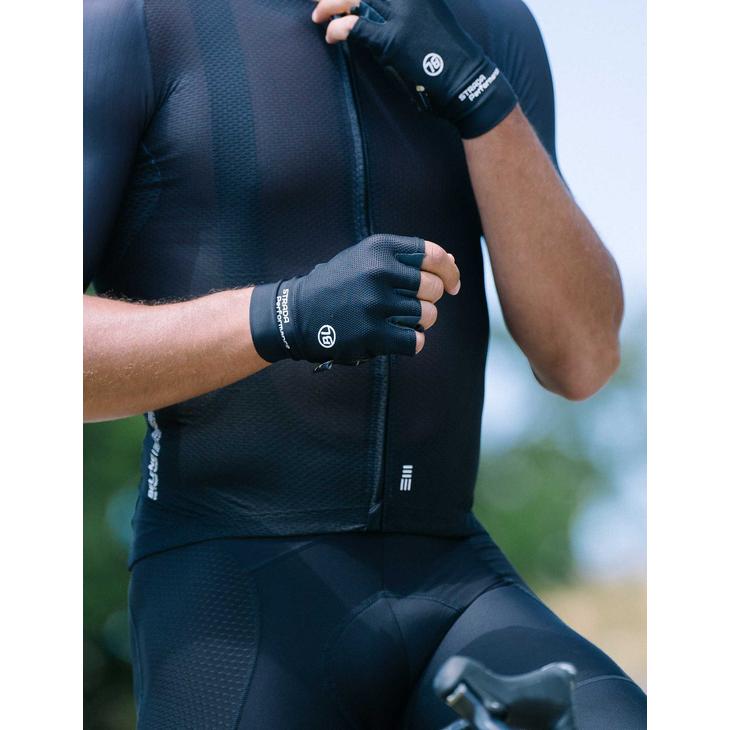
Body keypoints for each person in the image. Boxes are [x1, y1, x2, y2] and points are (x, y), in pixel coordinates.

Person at [83, 0, 646, 726]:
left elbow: (583, 358)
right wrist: (289, 315)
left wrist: (475, 88)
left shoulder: (492, 27)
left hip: (453, 581)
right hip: (233, 589)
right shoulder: (135, 21)